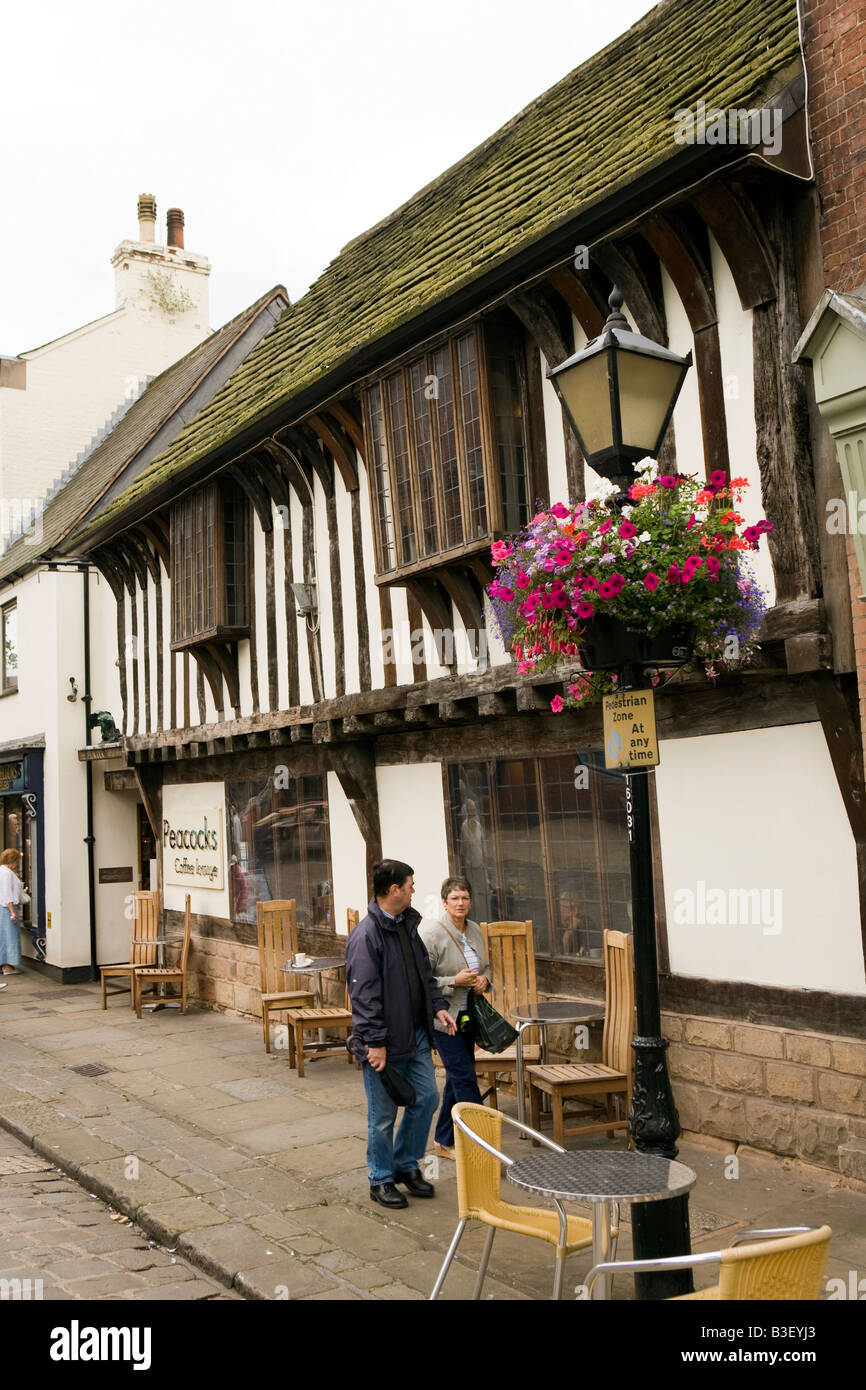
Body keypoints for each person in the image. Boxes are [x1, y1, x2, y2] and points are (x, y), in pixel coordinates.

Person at [346, 858, 457, 1210]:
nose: (413, 890)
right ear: (393, 890)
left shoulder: (408, 926)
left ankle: (406, 1165)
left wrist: (438, 1004)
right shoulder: (367, 936)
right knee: (382, 1116)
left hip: (416, 1035)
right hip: (383, 1043)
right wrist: (374, 1043)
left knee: (426, 1098)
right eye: (409, 885)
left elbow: (424, 974)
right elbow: (363, 996)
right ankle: (380, 1179)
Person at [420, 876, 491, 1161]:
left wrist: (485, 979)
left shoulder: (474, 929)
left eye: (465, 898)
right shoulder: (432, 935)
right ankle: (481, 1145)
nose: (460, 903)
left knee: (456, 1077)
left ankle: (443, 1139)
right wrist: (454, 980)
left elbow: (486, 966)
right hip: (444, 1017)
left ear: (470, 901)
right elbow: (421, 981)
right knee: (464, 1077)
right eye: (455, 899)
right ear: (445, 903)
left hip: (469, 1016)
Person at [0, 847, 23, 977]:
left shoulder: (4, 871)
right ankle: (8, 967)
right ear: (13, 860)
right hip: (7, 908)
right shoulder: (6, 873)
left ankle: (4, 965)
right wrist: (12, 912)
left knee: (3, 937)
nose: (18, 863)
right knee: (10, 937)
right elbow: (7, 893)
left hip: (3, 908)